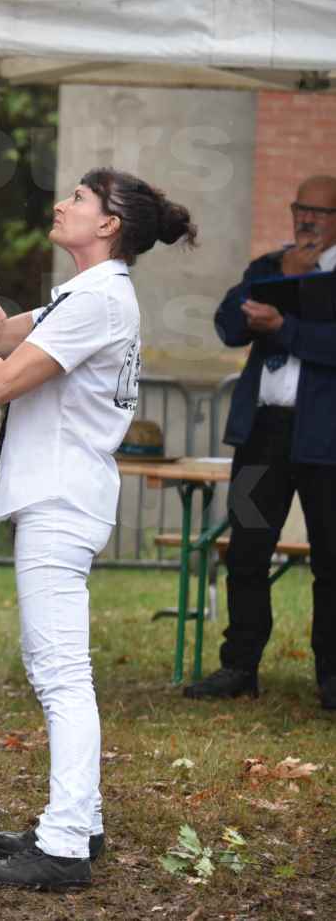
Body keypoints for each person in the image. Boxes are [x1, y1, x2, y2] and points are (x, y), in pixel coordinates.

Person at [0, 170, 197, 891]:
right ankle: (77, 822)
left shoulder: (98, 301)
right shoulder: (86, 295)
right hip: (59, 495)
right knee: (53, 670)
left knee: (60, 676)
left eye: (79, 200)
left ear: (109, 224)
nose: (61, 205)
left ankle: (62, 848)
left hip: (59, 497)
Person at [184, 174, 336, 708]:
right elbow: (229, 325)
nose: (306, 220)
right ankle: (238, 667)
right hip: (263, 434)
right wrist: (276, 278)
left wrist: (283, 328)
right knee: (246, 550)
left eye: (319, 212)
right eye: (300, 208)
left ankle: (332, 677)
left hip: (326, 439)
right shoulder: (269, 267)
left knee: (331, 562)